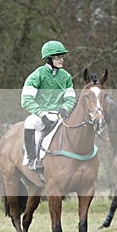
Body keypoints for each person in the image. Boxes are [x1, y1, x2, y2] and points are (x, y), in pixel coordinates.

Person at [21, 40, 77, 170]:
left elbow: (70, 98)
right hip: (40, 114)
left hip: (60, 115)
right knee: (29, 123)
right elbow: (26, 100)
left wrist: (65, 109)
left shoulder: (66, 77)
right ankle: (31, 159)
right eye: (57, 57)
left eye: (62, 56)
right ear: (48, 59)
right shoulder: (37, 75)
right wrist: (42, 114)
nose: (61, 60)